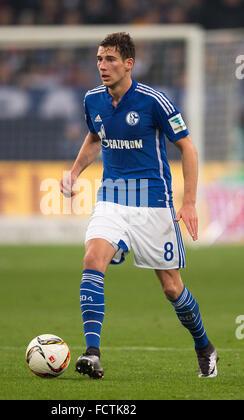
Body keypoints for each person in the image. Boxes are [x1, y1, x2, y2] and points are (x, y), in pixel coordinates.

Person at [60, 32, 218, 379]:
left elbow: (188, 148)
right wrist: (74, 172)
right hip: (112, 198)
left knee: (171, 288)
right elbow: (94, 137)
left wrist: (188, 200)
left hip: (153, 204)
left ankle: (204, 346)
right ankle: (92, 353)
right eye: (100, 59)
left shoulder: (154, 101)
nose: (103, 65)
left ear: (129, 64)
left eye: (111, 59)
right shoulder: (92, 100)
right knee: (92, 258)